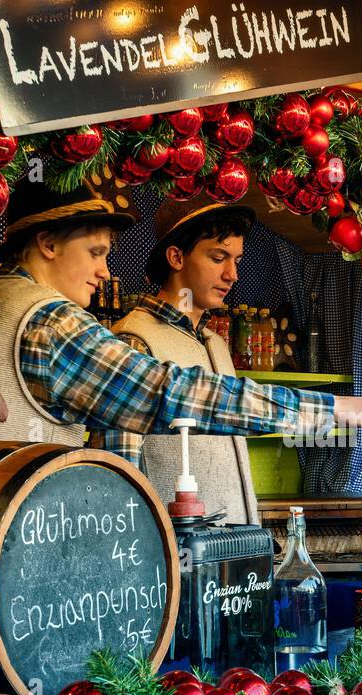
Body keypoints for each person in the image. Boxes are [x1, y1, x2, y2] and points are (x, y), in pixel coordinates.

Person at [0, 177, 362, 459]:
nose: (104, 270)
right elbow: (169, 393)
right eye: (95, 252)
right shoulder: (50, 321)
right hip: (24, 553)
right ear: (48, 244)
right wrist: (340, 407)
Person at [89, 199, 260, 524]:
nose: (232, 274)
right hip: (170, 559)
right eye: (218, 257)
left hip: (233, 556)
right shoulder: (134, 339)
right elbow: (117, 482)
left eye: (236, 260)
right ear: (176, 257)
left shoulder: (217, 344)